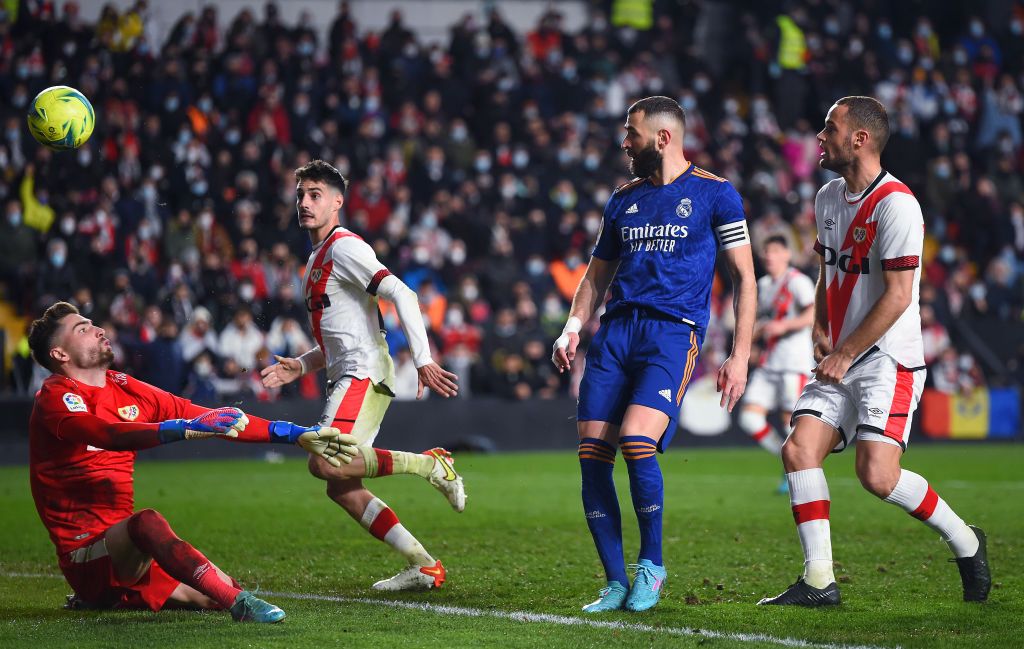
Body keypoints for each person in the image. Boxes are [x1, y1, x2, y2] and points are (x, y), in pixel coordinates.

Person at [758, 96, 990, 606]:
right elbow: (827, 271)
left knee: (877, 476)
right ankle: (819, 580)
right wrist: (822, 326)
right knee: (798, 449)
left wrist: (845, 352)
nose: (819, 137)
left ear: (859, 138)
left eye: (829, 128)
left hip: (888, 358)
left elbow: (899, 295)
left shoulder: (897, 205)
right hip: (840, 353)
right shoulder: (825, 198)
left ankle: (967, 542)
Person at [551, 96, 756, 612]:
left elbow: (744, 278)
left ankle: (653, 565)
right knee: (592, 457)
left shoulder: (716, 195)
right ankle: (615, 581)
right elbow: (597, 276)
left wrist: (741, 354)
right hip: (614, 335)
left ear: (662, 138)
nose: (625, 142)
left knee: (638, 443)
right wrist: (572, 326)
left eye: (631, 133)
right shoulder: (623, 199)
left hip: (672, 335)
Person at [28, 301, 358, 621]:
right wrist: (181, 429)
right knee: (148, 522)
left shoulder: (124, 386)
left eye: (93, 323)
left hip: (129, 553)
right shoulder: (55, 396)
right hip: (85, 555)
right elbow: (107, 434)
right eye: (83, 329)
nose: (98, 329)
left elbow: (213, 417)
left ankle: (217, 595)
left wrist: (295, 434)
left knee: (209, 593)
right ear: (60, 354)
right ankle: (238, 606)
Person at [260, 160, 466, 592]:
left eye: (315, 194)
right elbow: (341, 336)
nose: (304, 202)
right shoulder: (316, 258)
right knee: (341, 486)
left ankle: (431, 465)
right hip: (347, 372)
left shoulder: (344, 247)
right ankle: (423, 565)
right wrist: (300, 365)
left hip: (363, 373)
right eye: (300, 194)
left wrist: (423, 358)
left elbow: (402, 293)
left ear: (338, 202)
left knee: (324, 462)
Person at [738, 235, 815, 492]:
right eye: (765, 251)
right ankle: (786, 461)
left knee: (788, 422)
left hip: (794, 362)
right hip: (769, 362)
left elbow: (813, 313)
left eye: (773, 251)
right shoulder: (763, 283)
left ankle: (800, 471)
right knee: (749, 418)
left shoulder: (798, 282)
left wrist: (785, 325)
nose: (768, 256)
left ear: (786, 254)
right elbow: (764, 319)